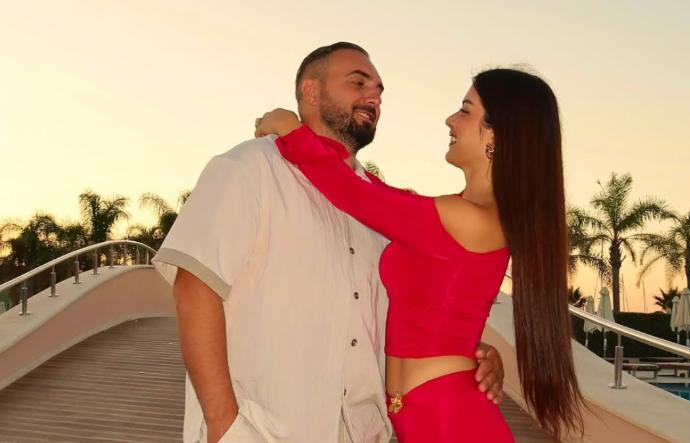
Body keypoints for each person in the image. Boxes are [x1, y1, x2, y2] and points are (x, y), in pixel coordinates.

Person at [152, 42, 505, 443]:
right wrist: (224, 426)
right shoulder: (249, 168)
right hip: (265, 432)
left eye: (379, 90)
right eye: (358, 82)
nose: (374, 97)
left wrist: (467, 351)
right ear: (311, 91)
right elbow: (195, 287)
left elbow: (399, 308)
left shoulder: (381, 207)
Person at [255, 67, 587, 442]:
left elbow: (355, 195)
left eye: (465, 110)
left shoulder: (470, 218)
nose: (450, 120)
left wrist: (290, 129)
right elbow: (372, 191)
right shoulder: (461, 211)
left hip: (451, 422)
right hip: (430, 416)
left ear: (496, 133)